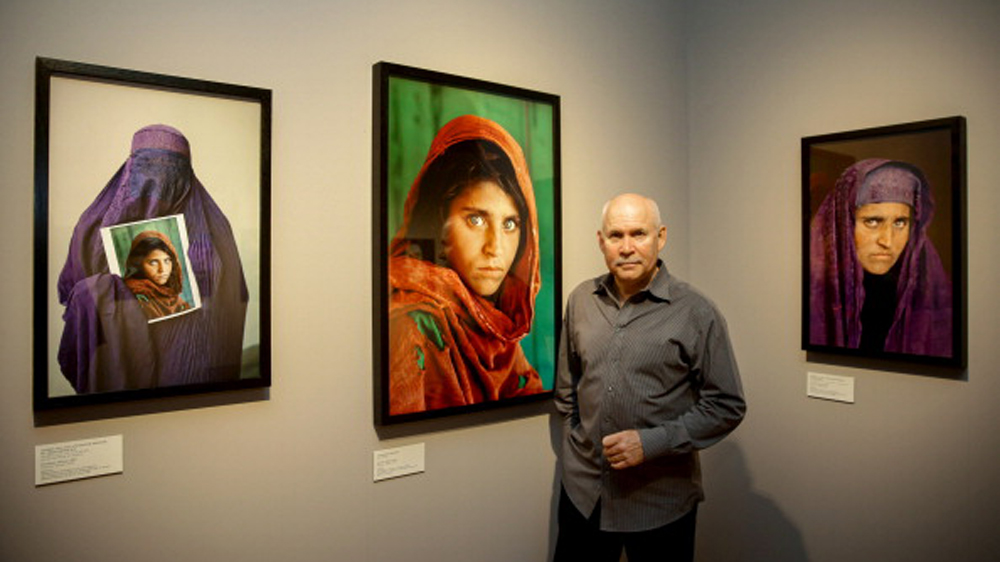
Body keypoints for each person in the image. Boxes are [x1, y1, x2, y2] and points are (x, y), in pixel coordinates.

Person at [554, 193, 746, 562]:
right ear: (600, 241)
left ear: (661, 237)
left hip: (659, 503)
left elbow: (727, 405)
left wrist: (653, 442)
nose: (626, 248)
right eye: (616, 236)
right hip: (584, 496)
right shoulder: (580, 300)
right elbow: (567, 390)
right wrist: (580, 445)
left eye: (639, 234)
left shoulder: (696, 312)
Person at [57, 124, 248, 393]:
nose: (158, 183)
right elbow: (72, 293)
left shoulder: (215, 228)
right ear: (130, 167)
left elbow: (233, 299)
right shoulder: (92, 224)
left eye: (172, 169)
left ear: (187, 172)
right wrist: (106, 290)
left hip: (192, 360)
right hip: (121, 358)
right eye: (148, 166)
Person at [387, 114, 544, 415]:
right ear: (438, 222)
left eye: (510, 224)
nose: (495, 247)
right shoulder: (410, 324)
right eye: (476, 219)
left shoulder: (496, 327)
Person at [809, 158, 952, 356]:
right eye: (873, 221)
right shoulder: (814, 289)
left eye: (900, 222)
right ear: (844, 223)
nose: (887, 241)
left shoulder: (928, 289)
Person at [122, 230, 191, 320]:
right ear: (139, 264)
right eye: (153, 262)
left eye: (167, 261)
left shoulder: (172, 296)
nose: (162, 270)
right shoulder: (135, 297)